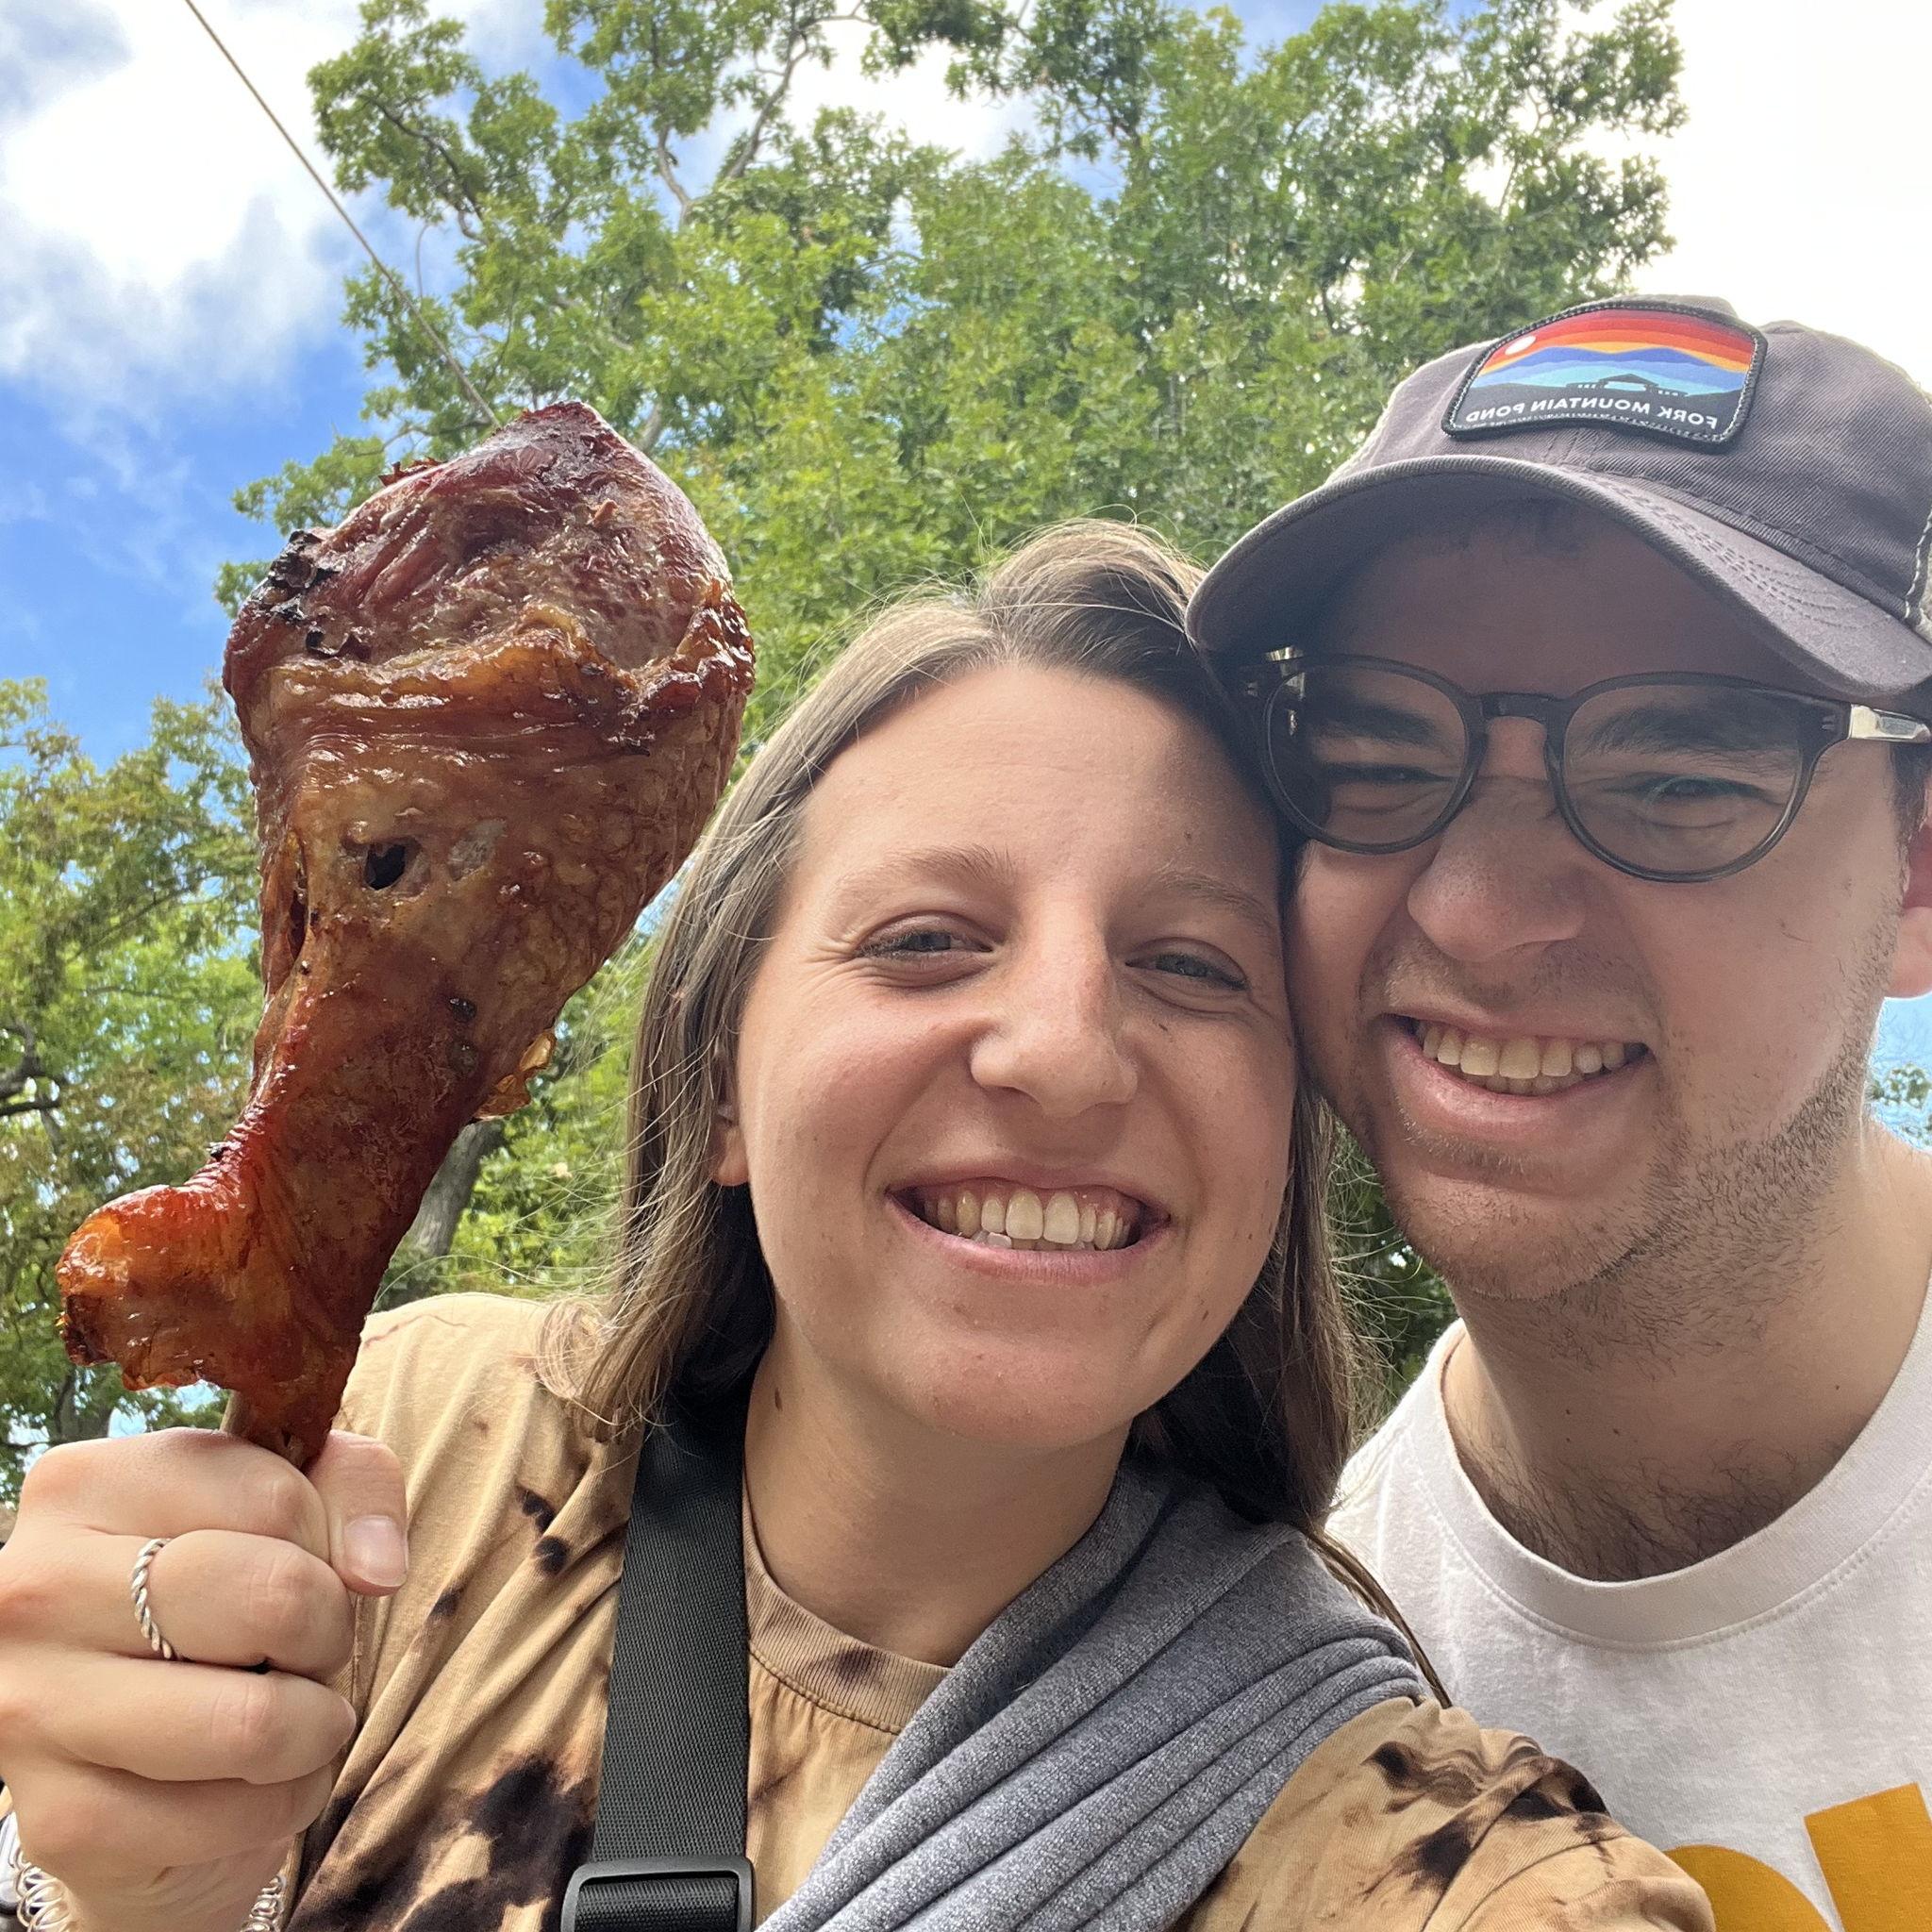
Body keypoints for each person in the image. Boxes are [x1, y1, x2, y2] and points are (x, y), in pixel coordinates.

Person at [0, 525, 1710, 1932]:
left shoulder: (1464, 1875)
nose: (1057, 1053)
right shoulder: (413, 1453)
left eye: (1192, 965)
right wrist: (149, 1893)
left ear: (1281, 1142)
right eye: (925, 940)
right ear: (726, 1088)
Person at [1188, 296, 1932, 1929]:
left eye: (1676, 780)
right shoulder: (1315, 1708)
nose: (1476, 912)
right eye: (1378, 754)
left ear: (1918, 871)